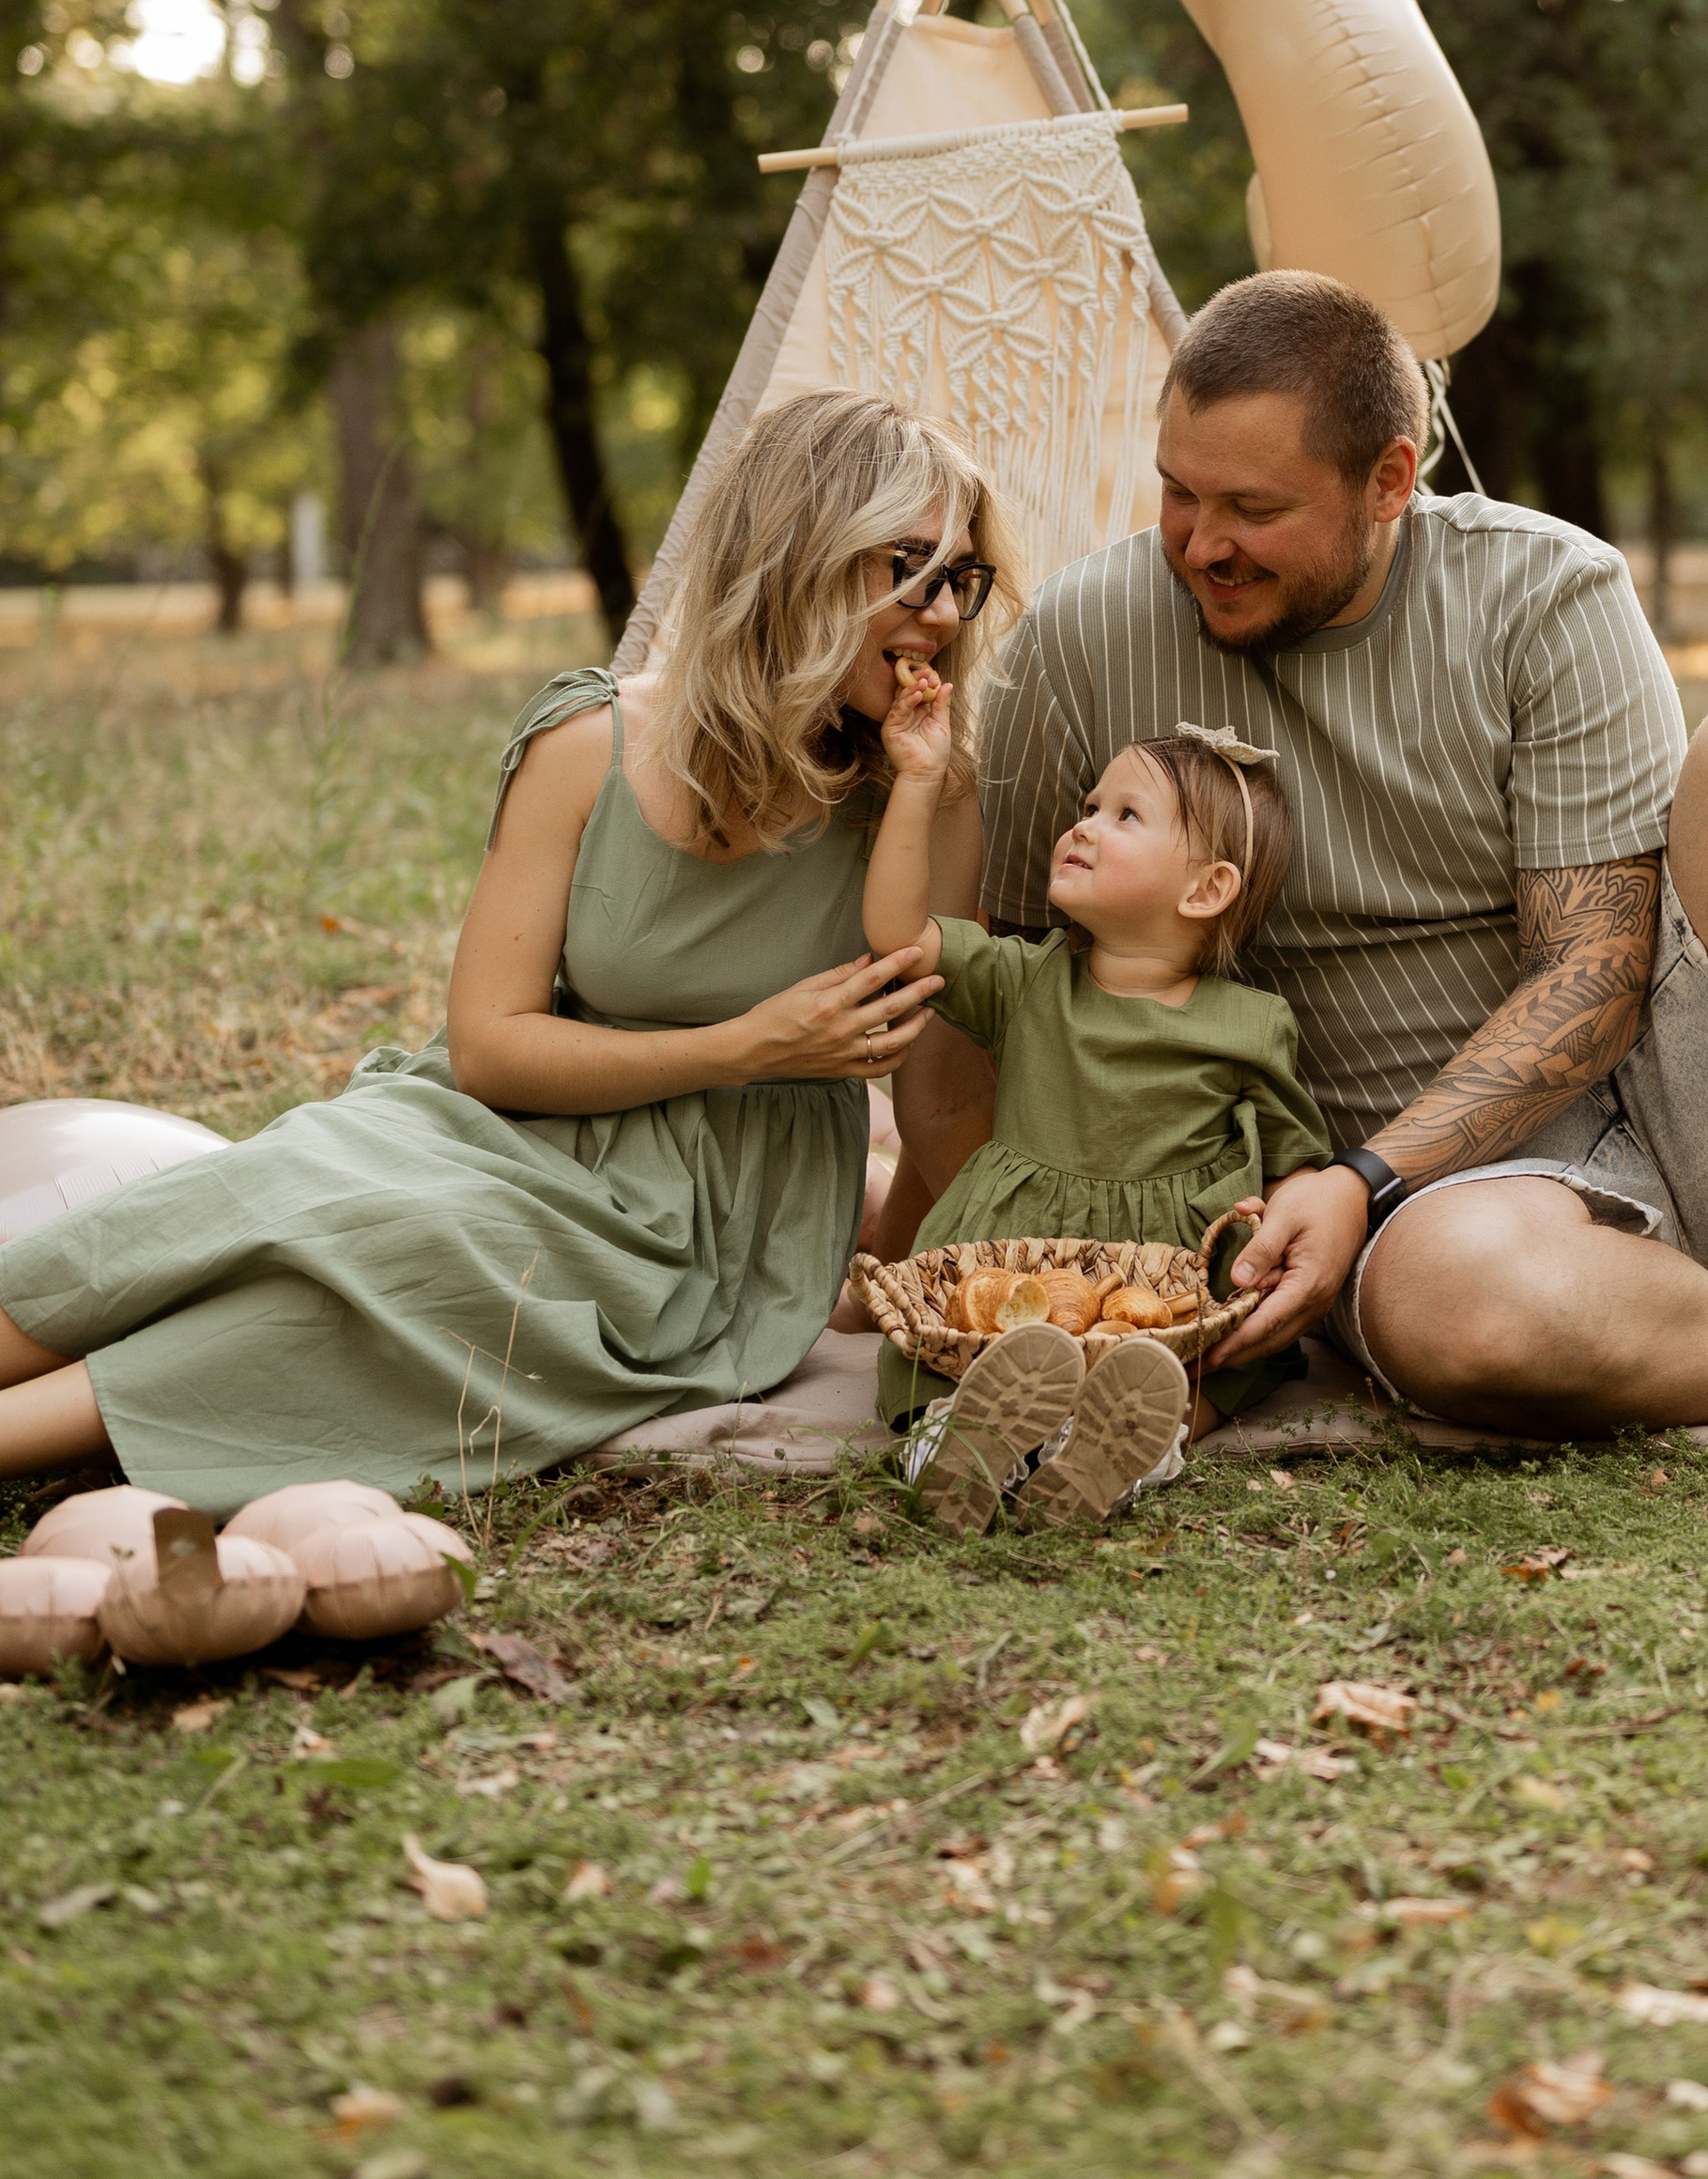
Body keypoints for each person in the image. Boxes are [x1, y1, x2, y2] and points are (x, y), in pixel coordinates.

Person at [960, 270, 1708, 1519]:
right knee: (1460, 1304)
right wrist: (957, 1253)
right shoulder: (1081, 640)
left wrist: (1367, 1176)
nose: (1201, 543)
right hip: (1397, 1233)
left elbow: (1594, 977)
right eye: (1177, 492)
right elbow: (1005, 978)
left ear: (1390, 481)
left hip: (1641, 1104)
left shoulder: (1544, 592)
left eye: (1253, 507)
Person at [0, 390, 1013, 1510]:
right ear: (792, 559)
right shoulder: (591, 743)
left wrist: (894, 1287)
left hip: (692, 1232)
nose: (943, 614)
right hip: (500, 1121)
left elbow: (940, 1098)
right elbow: (486, 1048)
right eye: (907, 564)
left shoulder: (926, 796)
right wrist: (746, 1041)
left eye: (959, 576)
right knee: (261, 1193)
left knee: (395, 1258)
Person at [860, 678, 1327, 1529]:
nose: (1083, 823)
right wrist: (917, 782)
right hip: (1015, 1270)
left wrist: (1276, 1211)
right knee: (953, 1361)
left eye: (1125, 816)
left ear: (1205, 889)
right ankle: (958, 1451)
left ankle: (1119, 1452)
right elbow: (899, 936)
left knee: (1190, 1369)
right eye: (1089, 804)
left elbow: (1298, 1163)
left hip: (1162, 1280)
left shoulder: (1253, 1025)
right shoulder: (1028, 979)